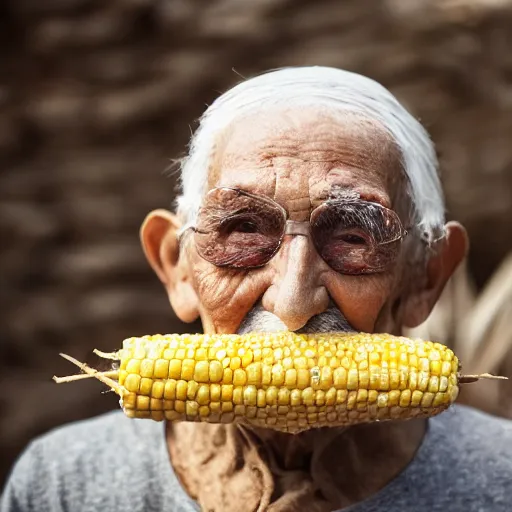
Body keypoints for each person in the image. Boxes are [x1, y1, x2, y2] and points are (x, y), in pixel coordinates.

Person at [2, 66, 512, 512]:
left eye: (353, 237)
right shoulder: (60, 485)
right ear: (176, 268)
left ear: (425, 277)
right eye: (243, 230)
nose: (292, 305)